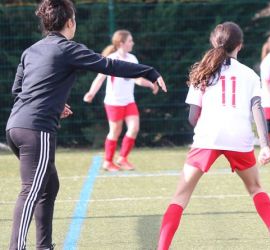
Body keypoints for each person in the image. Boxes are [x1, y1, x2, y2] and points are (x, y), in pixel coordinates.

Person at [5, 0, 167, 249]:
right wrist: (149, 71)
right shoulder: (67, 48)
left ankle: (44, 246)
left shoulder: (31, 50)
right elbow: (108, 65)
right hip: (37, 130)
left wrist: (56, 105)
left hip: (15, 126)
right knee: (31, 191)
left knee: (49, 185)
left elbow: (19, 90)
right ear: (70, 22)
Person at [157, 22, 270, 250]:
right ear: (239, 46)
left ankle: (161, 248)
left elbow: (193, 117)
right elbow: (257, 109)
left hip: (207, 138)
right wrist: (265, 146)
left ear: (214, 42)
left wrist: (207, 126)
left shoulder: (201, 71)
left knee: (180, 196)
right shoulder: (249, 74)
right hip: (239, 138)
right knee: (255, 188)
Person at [83, 30, 159, 172]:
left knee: (134, 128)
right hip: (114, 102)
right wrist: (91, 93)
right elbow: (100, 78)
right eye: (130, 41)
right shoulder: (111, 59)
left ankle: (122, 158)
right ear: (121, 43)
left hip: (129, 101)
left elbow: (137, 78)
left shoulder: (132, 59)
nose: (132, 43)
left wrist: (150, 83)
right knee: (115, 131)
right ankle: (108, 162)